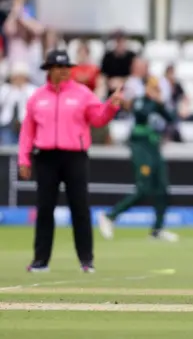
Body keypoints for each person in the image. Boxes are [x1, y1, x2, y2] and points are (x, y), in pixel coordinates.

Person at [18, 50, 123, 273]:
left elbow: (98, 118)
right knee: (45, 209)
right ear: (49, 70)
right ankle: (40, 261)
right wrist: (23, 159)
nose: (65, 71)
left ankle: (86, 260)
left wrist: (111, 106)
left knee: (80, 208)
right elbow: (28, 132)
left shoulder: (82, 93)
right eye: (59, 67)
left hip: (75, 156)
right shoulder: (38, 97)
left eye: (67, 67)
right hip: (46, 156)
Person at [98, 77, 178, 242]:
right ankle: (110, 216)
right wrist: (155, 102)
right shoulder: (141, 102)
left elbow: (171, 118)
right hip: (141, 149)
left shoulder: (158, 105)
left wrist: (160, 103)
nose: (155, 92)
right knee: (143, 188)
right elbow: (141, 113)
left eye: (157, 89)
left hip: (154, 148)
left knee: (162, 188)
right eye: (152, 88)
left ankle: (158, 229)